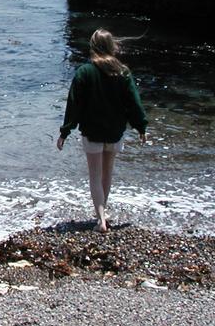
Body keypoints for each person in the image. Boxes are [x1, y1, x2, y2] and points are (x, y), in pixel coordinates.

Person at [56, 28, 147, 232]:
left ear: (93, 47)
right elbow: (134, 102)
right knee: (107, 174)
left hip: (92, 132)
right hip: (114, 132)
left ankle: (101, 220)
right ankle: (102, 213)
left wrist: (65, 131)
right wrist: (141, 126)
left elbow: (74, 105)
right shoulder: (122, 72)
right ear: (111, 46)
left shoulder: (85, 72)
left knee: (95, 176)